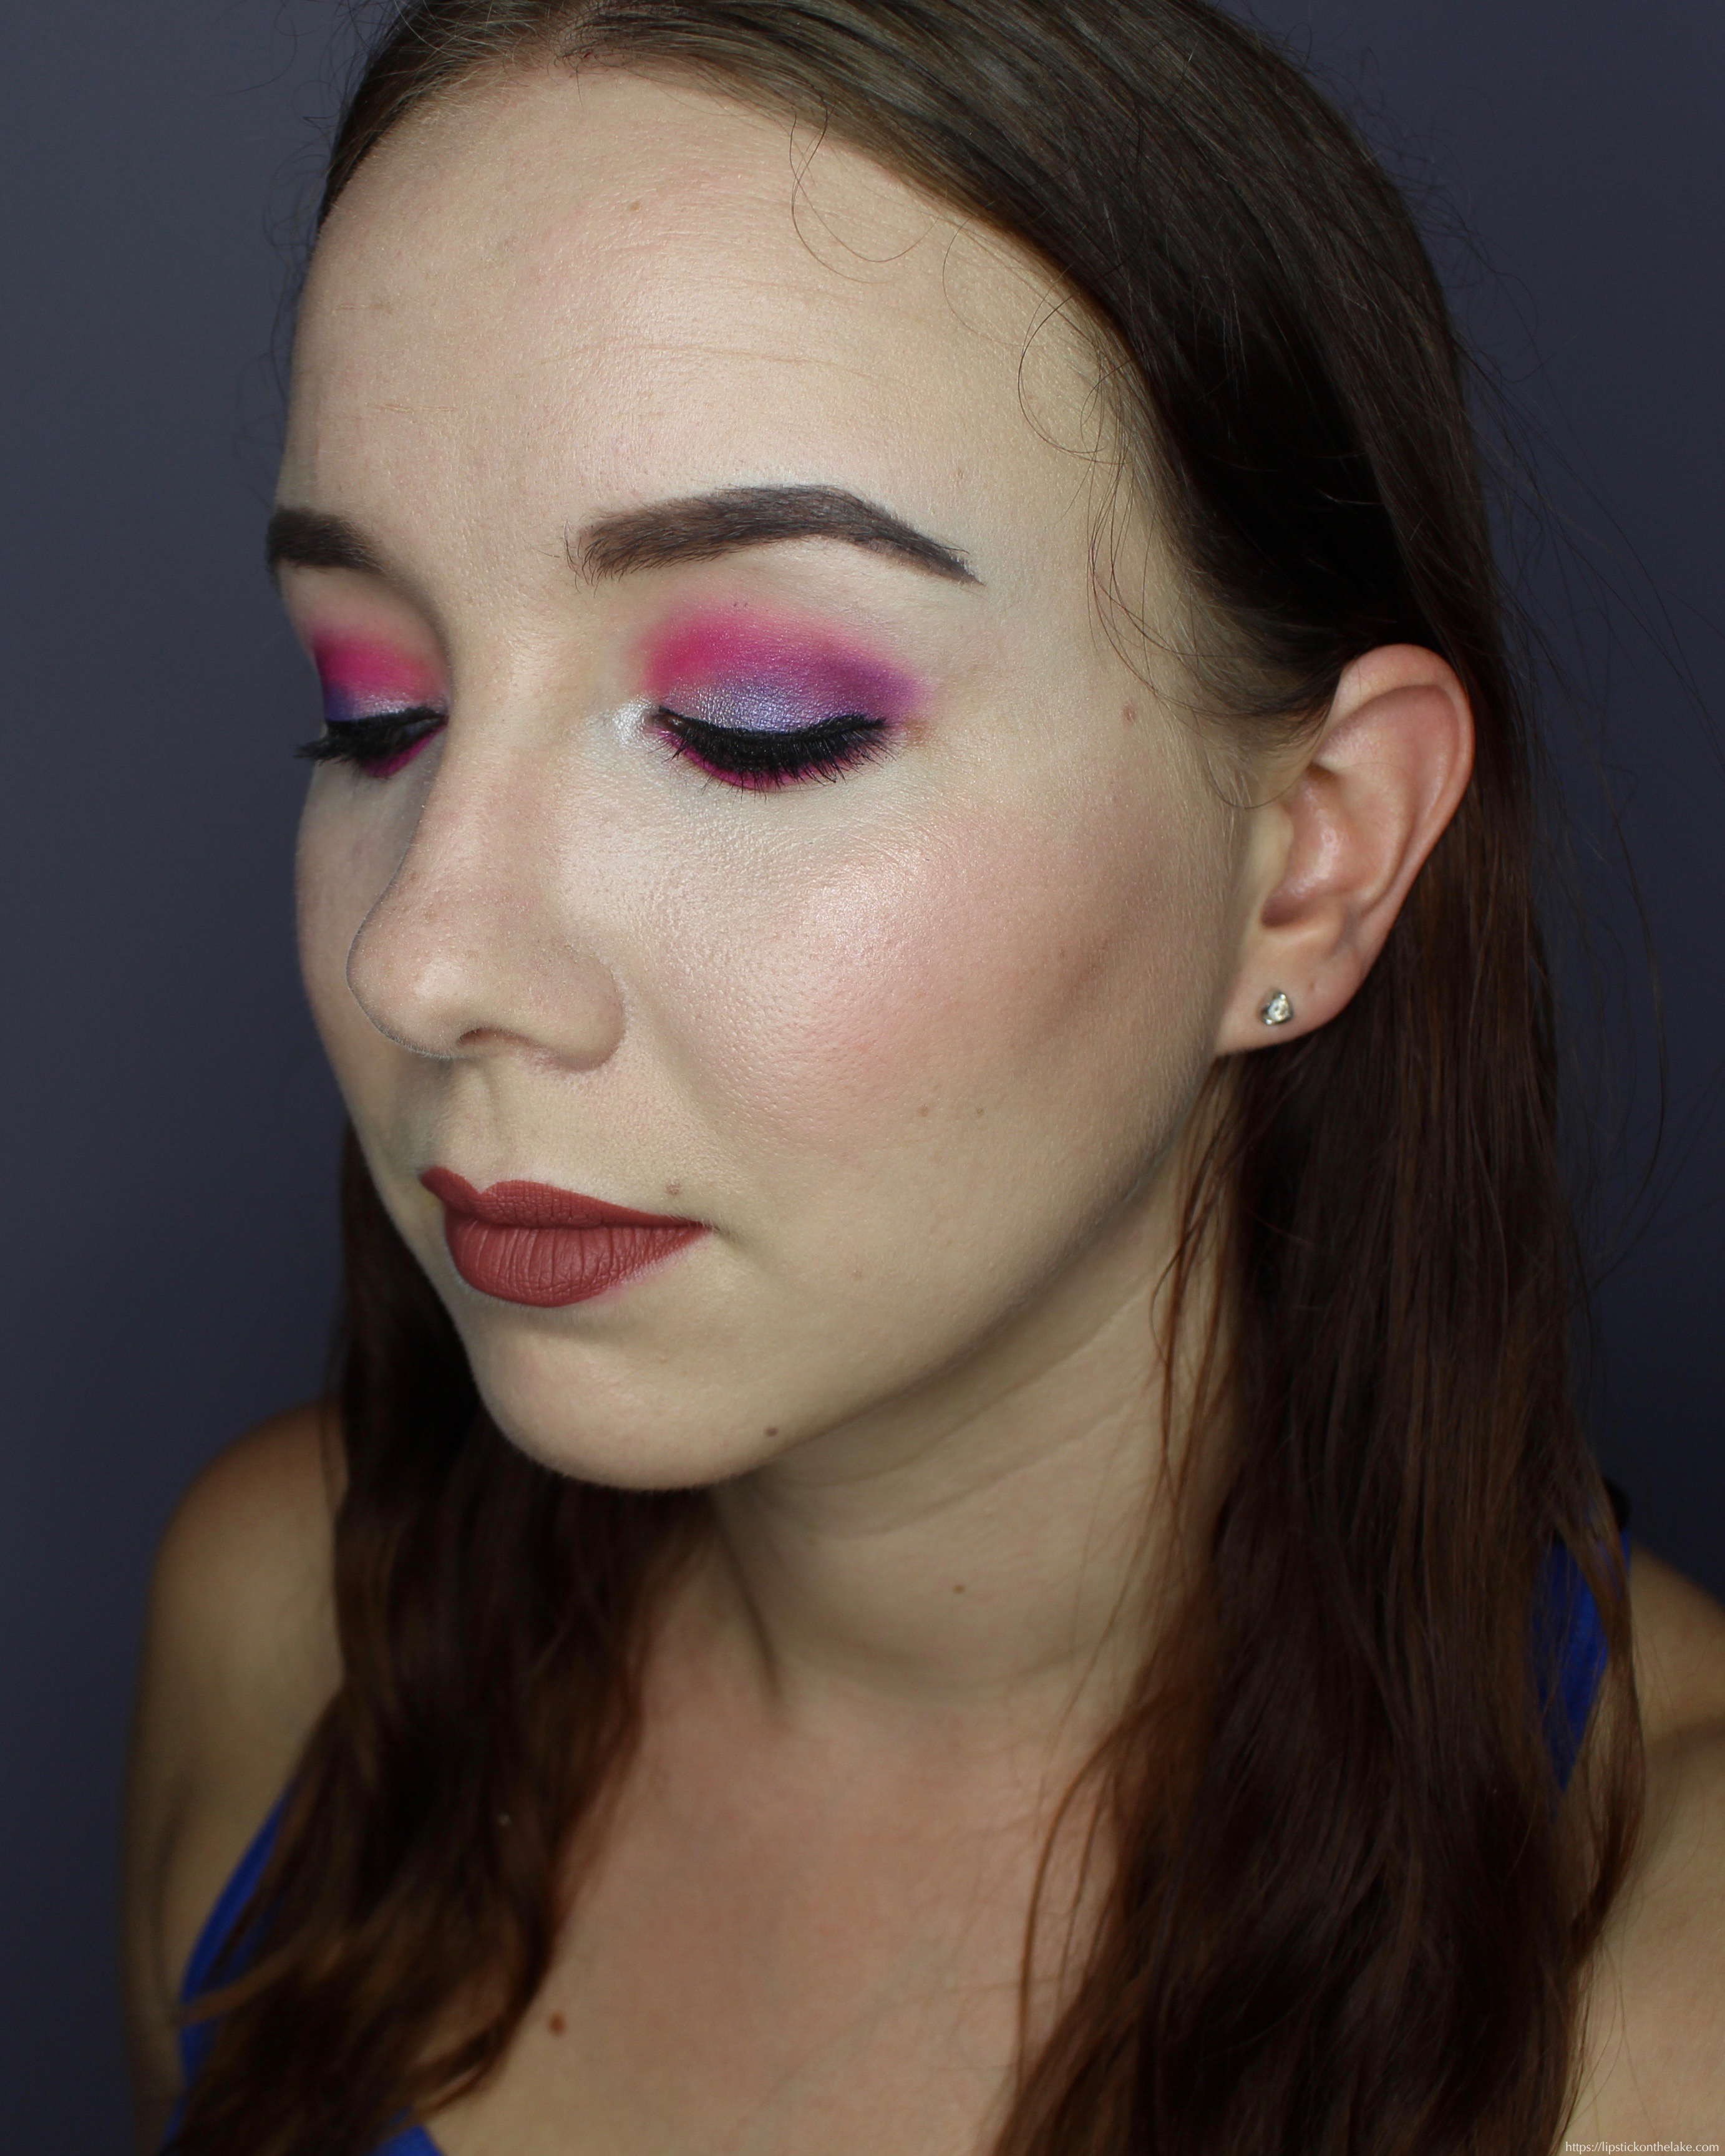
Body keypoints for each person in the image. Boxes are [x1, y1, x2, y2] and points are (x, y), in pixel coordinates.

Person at [121, 2, 1725, 2152]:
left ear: (1313, 856)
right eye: (376, 705)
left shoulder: (1673, 2006)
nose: (423, 955)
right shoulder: (283, 1642)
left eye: (759, 723)